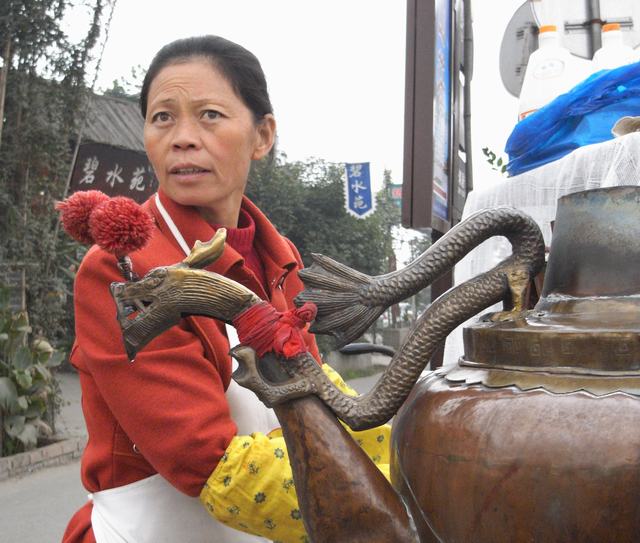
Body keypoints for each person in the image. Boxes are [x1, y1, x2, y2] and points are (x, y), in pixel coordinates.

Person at [62, 36, 390, 543]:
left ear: (262, 136)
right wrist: (387, 495)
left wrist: (410, 453)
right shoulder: (123, 271)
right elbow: (207, 461)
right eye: (162, 117)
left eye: (210, 115)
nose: (182, 138)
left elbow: (314, 395)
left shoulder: (280, 259)